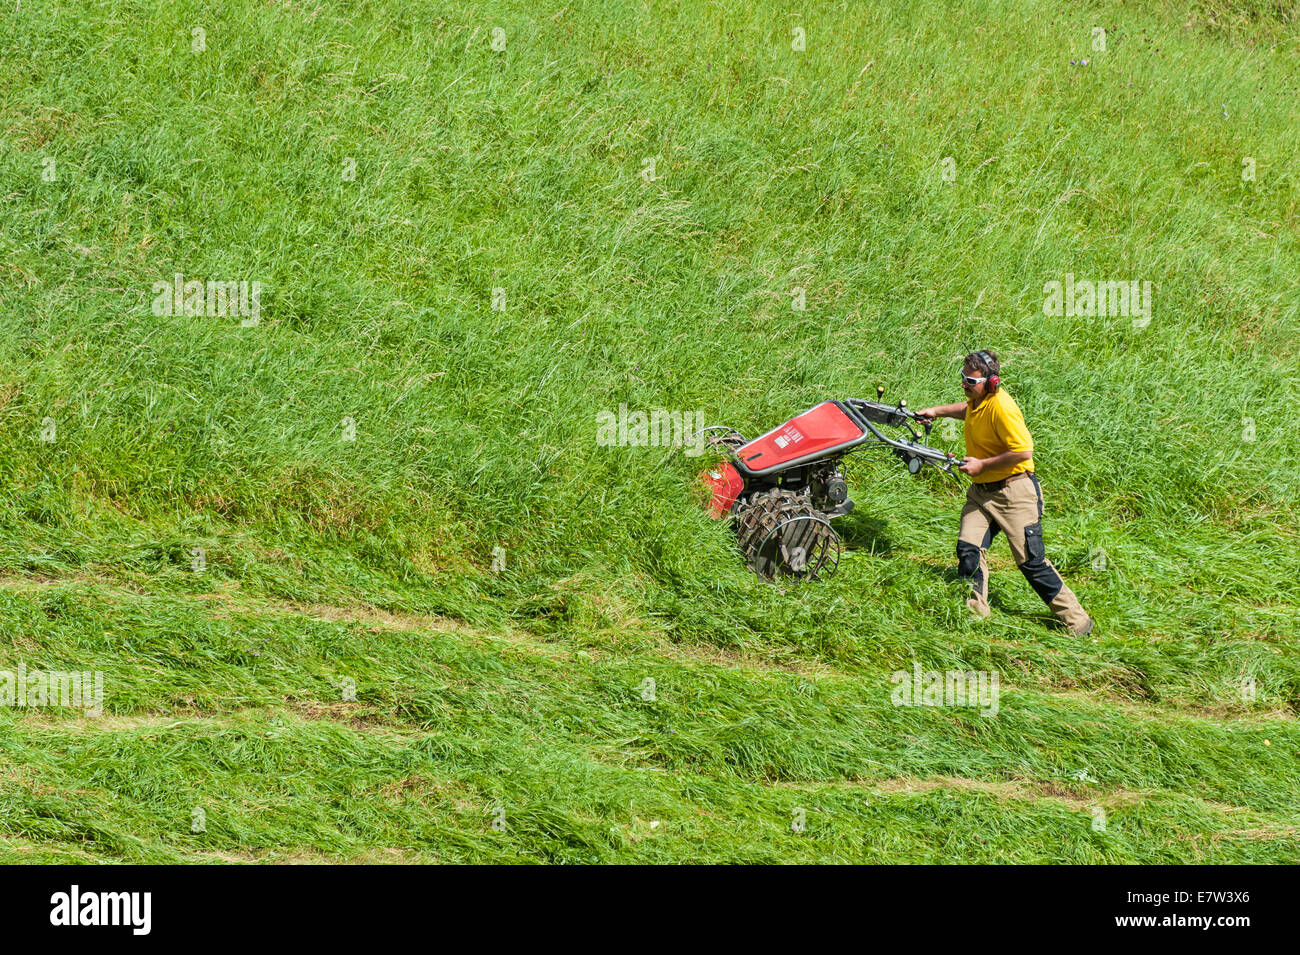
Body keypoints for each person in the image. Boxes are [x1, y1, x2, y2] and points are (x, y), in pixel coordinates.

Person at [916, 350, 1093, 635]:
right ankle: (974, 616)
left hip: (1014, 492)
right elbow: (967, 409)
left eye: (970, 380)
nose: (964, 383)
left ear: (991, 382)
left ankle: (1077, 622)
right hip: (981, 493)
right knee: (968, 549)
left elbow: (1023, 451)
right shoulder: (979, 400)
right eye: (962, 377)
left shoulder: (1003, 407)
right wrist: (936, 411)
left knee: (1031, 563)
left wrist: (982, 464)